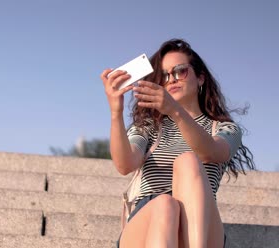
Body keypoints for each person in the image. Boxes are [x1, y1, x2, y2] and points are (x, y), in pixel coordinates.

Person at [100, 39, 254, 248]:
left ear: (200, 77)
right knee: (165, 204)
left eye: (180, 71)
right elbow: (125, 164)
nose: (171, 79)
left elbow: (212, 152)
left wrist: (175, 110)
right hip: (150, 221)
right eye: (164, 75)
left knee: (189, 161)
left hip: (200, 226)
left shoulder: (223, 129)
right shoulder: (149, 127)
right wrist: (116, 112)